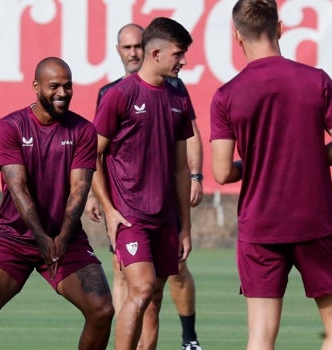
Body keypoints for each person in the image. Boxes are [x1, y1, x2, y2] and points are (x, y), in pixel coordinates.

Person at [209, 1, 332, 349]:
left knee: (260, 337)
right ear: (280, 28)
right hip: (314, 221)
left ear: (236, 36)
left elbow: (221, 172)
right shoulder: (316, 80)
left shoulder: (225, 95)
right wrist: (305, 158)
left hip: (260, 226)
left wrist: (261, 162)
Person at [0, 57, 114, 350]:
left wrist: (59, 238)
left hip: (65, 238)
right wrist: (42, 238)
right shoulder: (10, 127)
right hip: (14, 238)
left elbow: (79, 189)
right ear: (36, 87)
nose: (62, 92)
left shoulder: (83, 130)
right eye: (54, 86)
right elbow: (18, 187)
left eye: (68, 86)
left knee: (102, 311)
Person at [85, 23, 203, 350]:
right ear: (157, 53)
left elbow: (181, 168)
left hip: (166, 219)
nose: (183, 61)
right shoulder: (119, 95)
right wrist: (108, 209)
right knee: (141, 288)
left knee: (154, 301)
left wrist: (185, 228)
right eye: (178, 54)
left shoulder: (177, 98)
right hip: (130, 217)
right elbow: (90, 155)